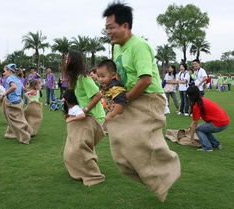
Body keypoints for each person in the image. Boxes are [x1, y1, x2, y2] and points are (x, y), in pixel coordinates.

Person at [103, 2, 180, 202]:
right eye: (107, 29)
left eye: (111, 27)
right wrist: (111, 95)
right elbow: (120, 78)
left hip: (148, 98)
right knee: (119, 148)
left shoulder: (139, 46)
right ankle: (152, 175)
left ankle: (169, 168)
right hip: (129, 98)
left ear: (126, 26)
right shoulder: (117, 49)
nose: (108, 32)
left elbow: (145, 80)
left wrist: (124, 100)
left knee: (138, 141)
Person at [62, 50, 106, 187]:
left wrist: (85, 110)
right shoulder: (75, 79)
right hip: (85, 116)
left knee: (79, 146)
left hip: (94, 116)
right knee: (79, 146)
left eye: (67, 58)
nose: (64, 60)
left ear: (73, 61)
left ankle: (93, 176)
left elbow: (98, 95)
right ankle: (84, 169)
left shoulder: (83, 78)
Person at [188, 86, 229, 151]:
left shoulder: (197, 105)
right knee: (203, 128)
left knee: (198, 129)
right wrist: (191, 127)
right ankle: (216, 144)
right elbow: (194, 121)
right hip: (225, 121)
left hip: (219, 123)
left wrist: (191, 138)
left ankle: (207, 147)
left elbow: (195, 123)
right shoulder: (203, 100)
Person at [1, 64, 33, 144]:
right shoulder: (17, 79)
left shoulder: (9, 78)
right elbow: (23, 88)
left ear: (9, 71)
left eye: (4, 71)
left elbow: (14, 87)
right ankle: (10, 133)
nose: (3, 73)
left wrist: (5, 93)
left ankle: (25, 137)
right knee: (16, 118)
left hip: (12, 102)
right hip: (19, 100)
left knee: (15, 120)